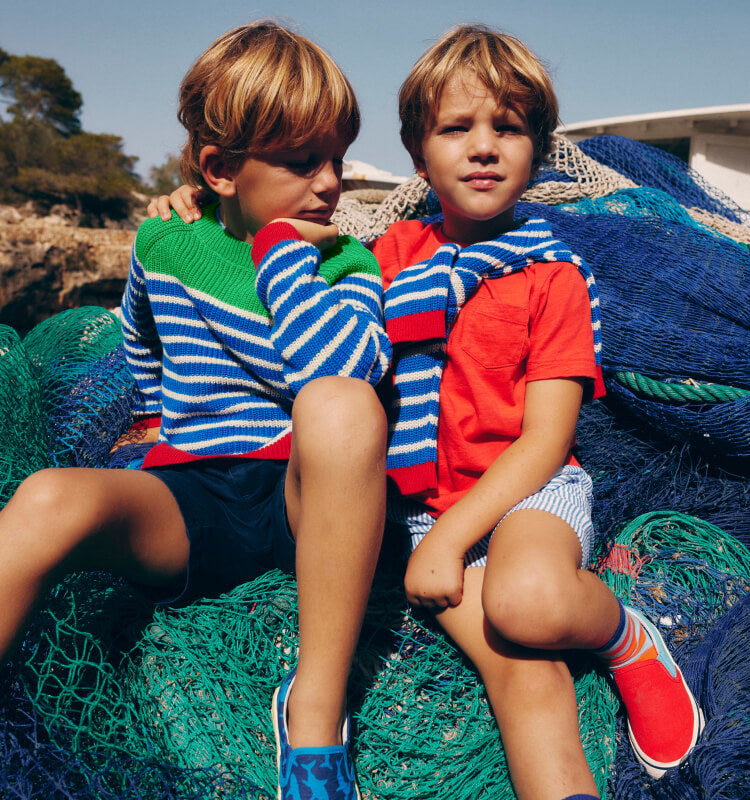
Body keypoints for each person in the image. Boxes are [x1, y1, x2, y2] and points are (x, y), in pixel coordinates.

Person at [150, 24, 704, 800]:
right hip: (410, 506)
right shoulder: (384, 256)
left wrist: (449, 535)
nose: (483, 147)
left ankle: (626, 638)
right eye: (457, 128)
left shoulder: (554, 278)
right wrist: (191, 204)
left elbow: (546, 442)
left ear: (539, 152)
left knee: (530, 604)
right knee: (521, 666)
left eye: (507, 128)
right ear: (419, 156)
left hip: (520, 496)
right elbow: (262, 251)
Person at [0, 21, 392, 800]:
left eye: (337, 160)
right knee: (46, 497)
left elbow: (342, 365)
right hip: (192, 499)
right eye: (299, 161)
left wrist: (281, 247)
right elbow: (143, 352)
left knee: (342, 405)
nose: (329, 185)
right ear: (218, 168)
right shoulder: (163, 242)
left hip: (305, 501)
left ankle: (313, 715)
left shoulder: (347, 260)